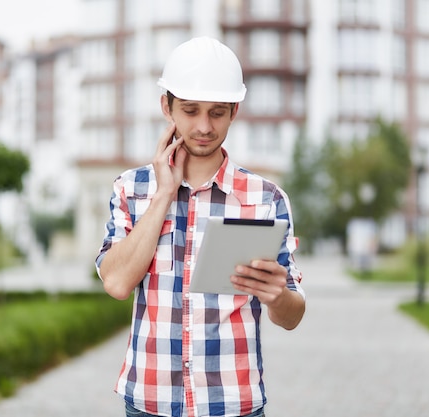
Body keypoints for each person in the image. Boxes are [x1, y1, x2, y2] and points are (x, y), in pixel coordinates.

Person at [95, 36, 306, 417]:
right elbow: (116, 283)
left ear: (234, 111)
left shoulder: (266, 198)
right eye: (190, 111)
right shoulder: (132, 188)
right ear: (167, 107)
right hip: (150, 402)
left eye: (217, 112)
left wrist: (277, 296)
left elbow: (291, 316)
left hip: (232, 403)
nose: (204, 127)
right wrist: (164, 194)